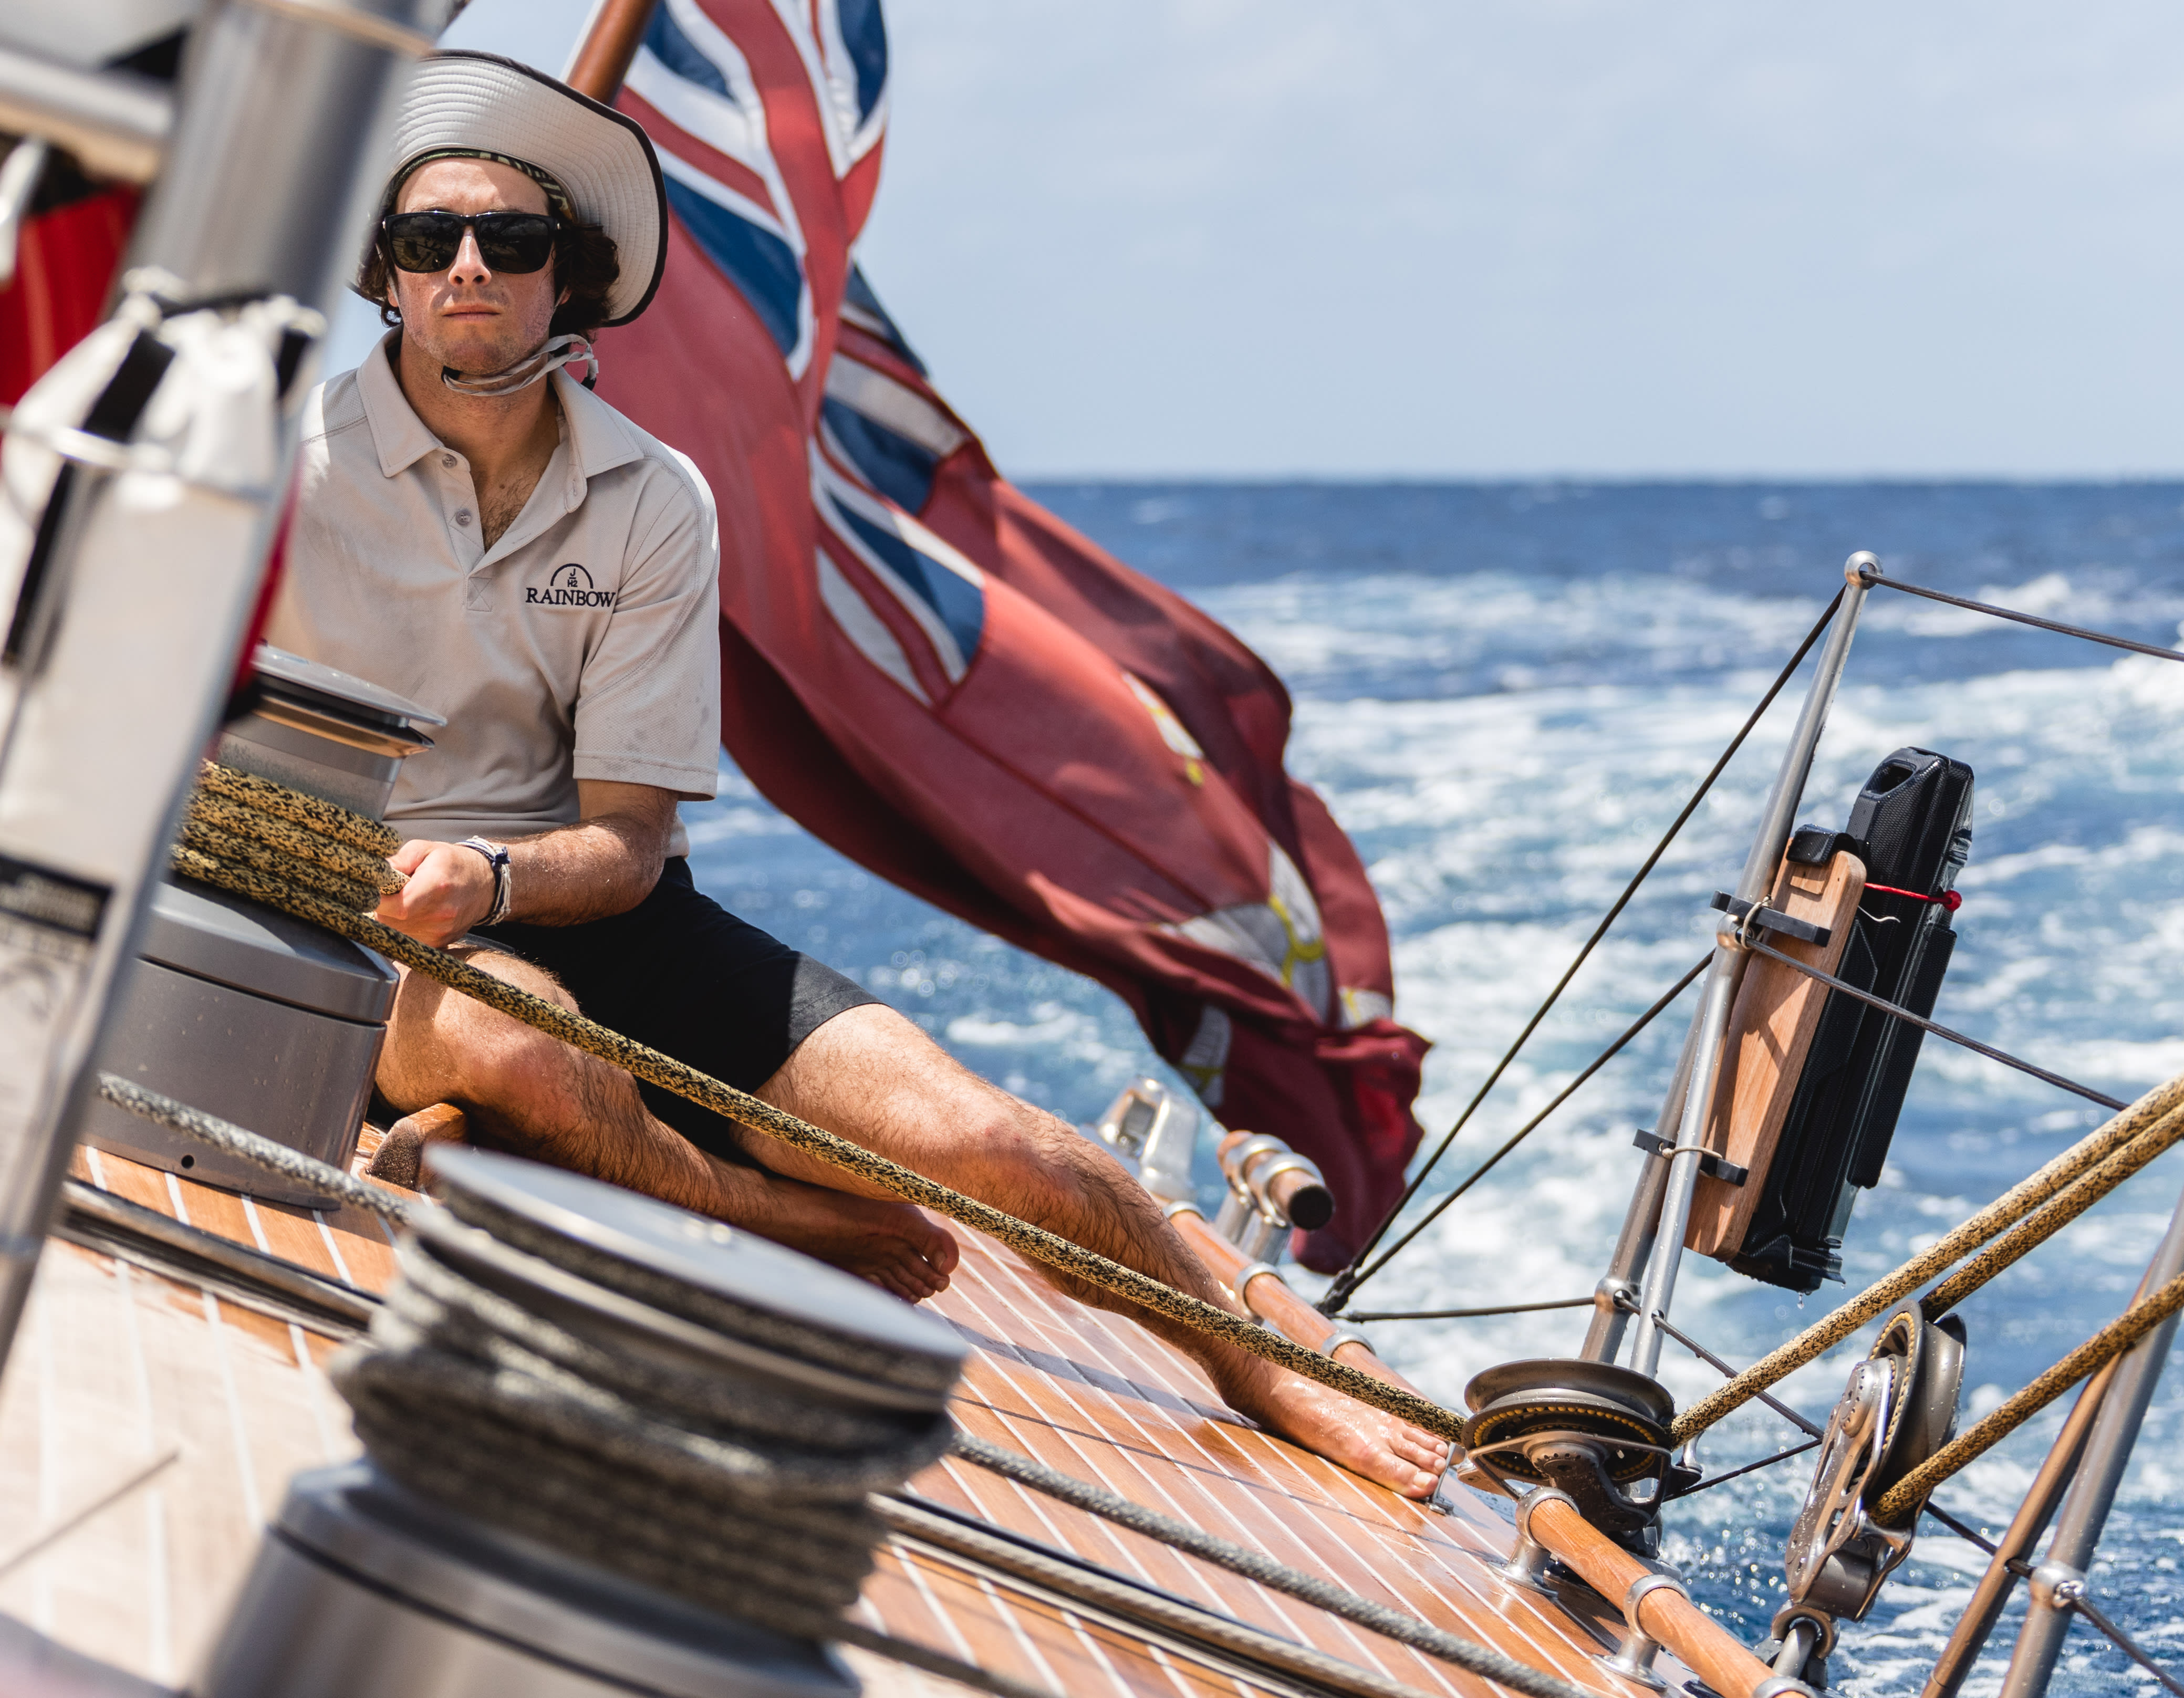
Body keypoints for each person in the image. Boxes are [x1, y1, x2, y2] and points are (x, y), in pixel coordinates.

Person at [269, 53, 1448, 1498]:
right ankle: (774, 1214)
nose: (466, 265)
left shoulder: (651, 498)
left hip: (584, 901)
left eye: (509, 242)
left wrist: (499, 874)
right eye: (425, 239)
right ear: (382, 275)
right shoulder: (281, 464)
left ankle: (1251, 1359)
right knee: (529, 1054)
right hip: (352, 910)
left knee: (1007, 1152)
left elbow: (632, 844)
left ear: (565, 283)